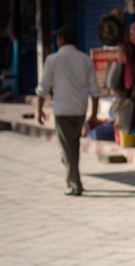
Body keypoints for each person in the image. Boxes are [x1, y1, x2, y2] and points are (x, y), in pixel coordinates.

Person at [35, 25, 99, 196]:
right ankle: (74, 179)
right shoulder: (85, 60)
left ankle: (74, 184)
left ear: (61, 40)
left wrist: (39, 110)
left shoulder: (52, 60)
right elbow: (95, 90)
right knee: (73, 145)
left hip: (62, 110)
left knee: (67, 148)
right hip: (79, 110)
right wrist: (93, 114)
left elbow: (43, 89)